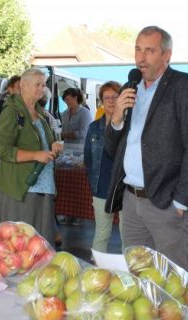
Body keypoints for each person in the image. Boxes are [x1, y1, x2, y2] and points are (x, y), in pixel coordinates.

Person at [105, 26, 188, 269]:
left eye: (150, 51)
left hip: (167, 202)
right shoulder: (129, 88)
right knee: (137, 274)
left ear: (166, 55)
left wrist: (182, 202)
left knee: (172, 279)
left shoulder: (185, 86)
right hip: (132, 200)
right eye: (138, 50)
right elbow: (112, 149)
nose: (141, 58)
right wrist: (117, 118)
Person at [0, 68, 63, 245]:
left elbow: (43, 142)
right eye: (37, 84)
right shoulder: (11, 112)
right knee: (19, 245)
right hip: (20, 188)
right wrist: (36, 155)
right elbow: (1, 149)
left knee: (39, 244)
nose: (42, 89)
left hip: (42, 187)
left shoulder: (40, 112)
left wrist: (54, 145)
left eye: (44, 85)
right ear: (23, 85)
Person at [84, 81, 123, 252]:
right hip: (101, 187)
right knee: (102, 233)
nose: (111, 101)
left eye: (115, 96)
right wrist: (94, 183)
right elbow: (88, 158)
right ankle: (96, 273)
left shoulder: (129, 126)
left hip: (125, 188)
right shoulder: (94, 127)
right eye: (107, 97)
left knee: (128, 236)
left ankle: (131, 274)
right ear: (101, 101)